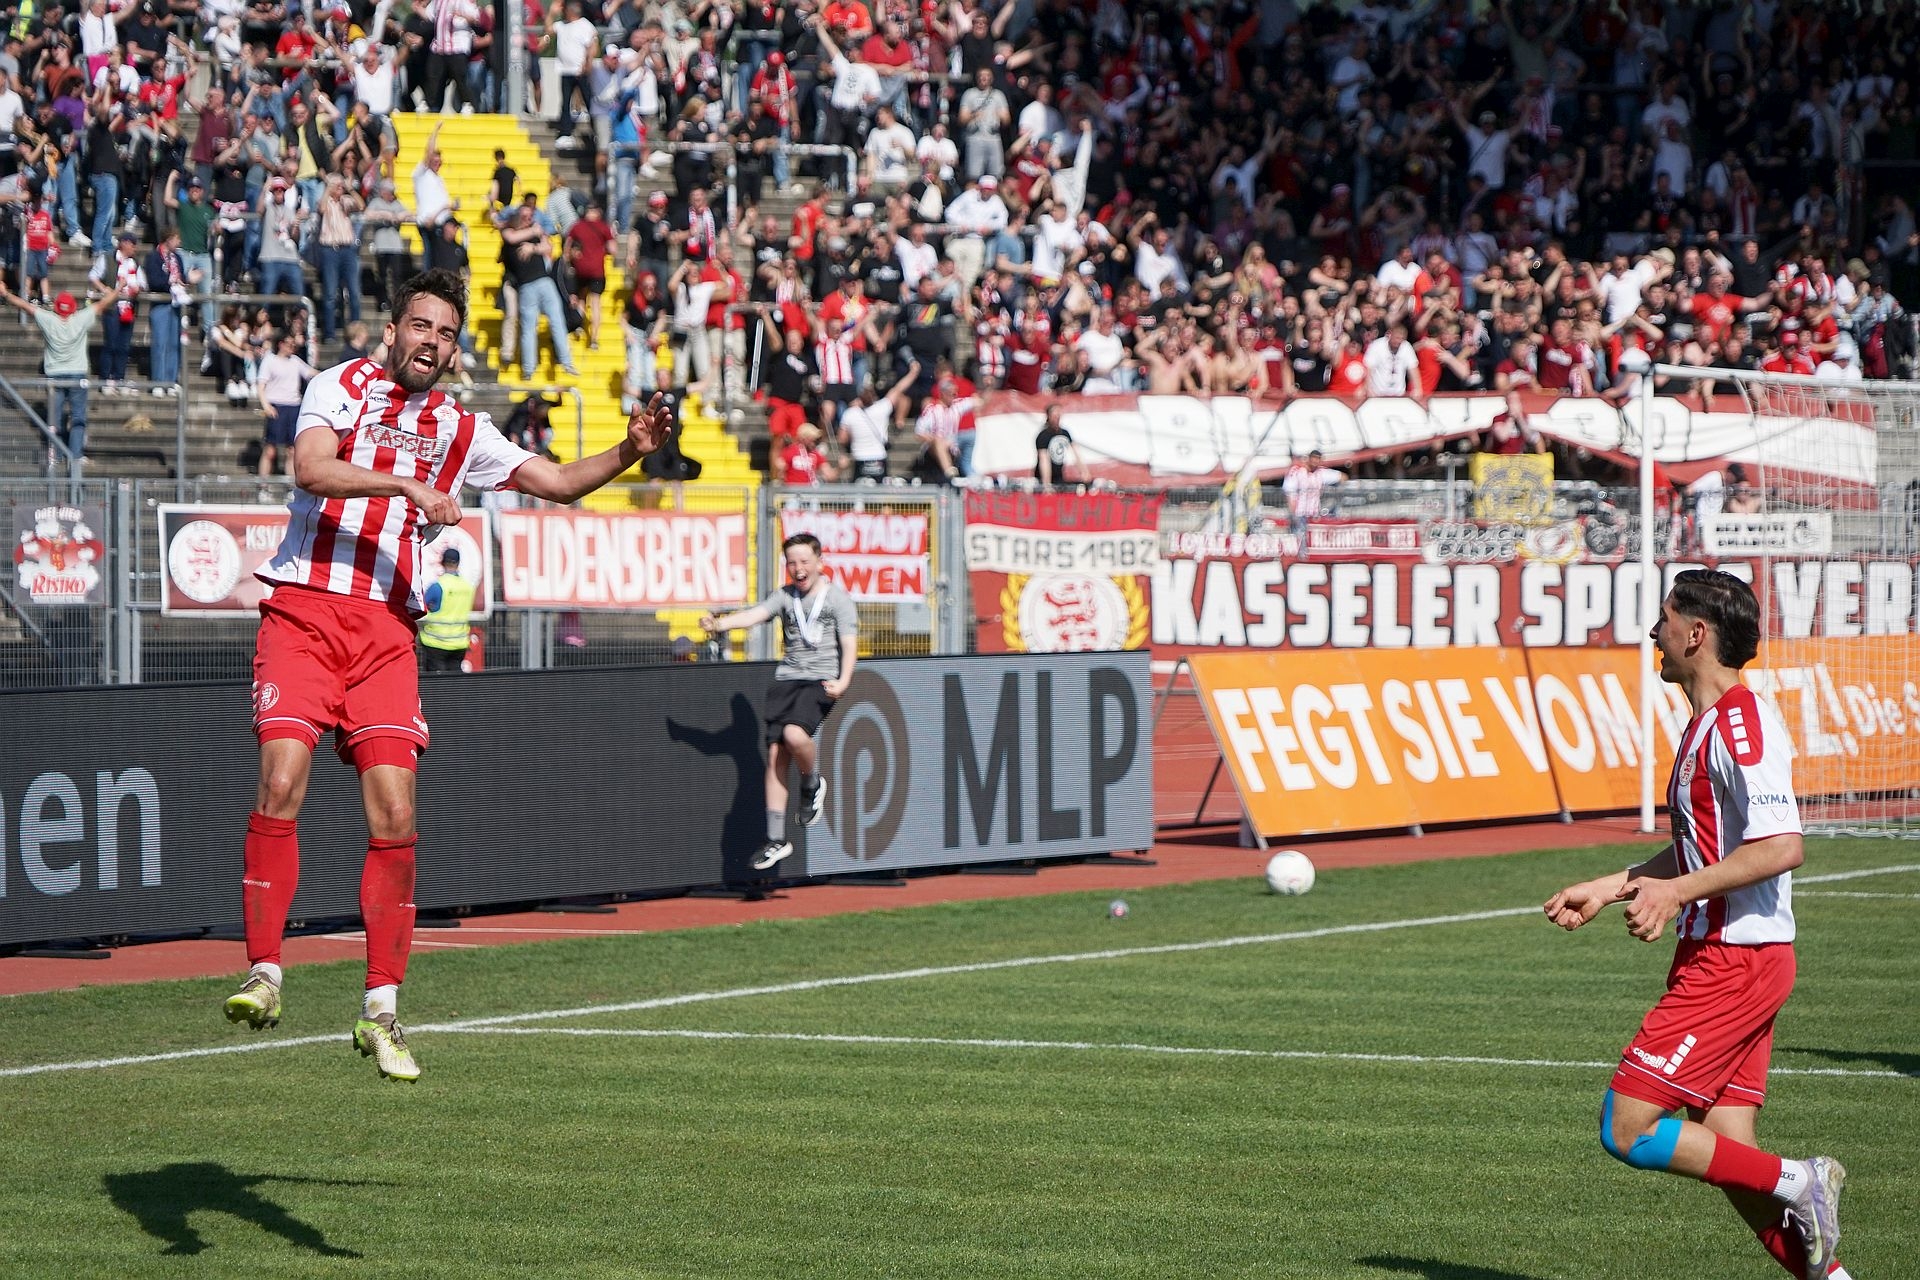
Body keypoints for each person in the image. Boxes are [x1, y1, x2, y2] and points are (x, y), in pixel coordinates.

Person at [220, 268, 671, 1082]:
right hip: (305, 614)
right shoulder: (340, 386)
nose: (433, 341)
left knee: (396, 813)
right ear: (392, 330)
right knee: (280, 781)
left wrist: (630, 452)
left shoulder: (463, 429)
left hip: (387, 633)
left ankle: (381, 1010)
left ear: (456, 351)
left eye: (447, 333)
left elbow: (558, 483)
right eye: (422, 326)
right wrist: (406, 484)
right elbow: (311, 469)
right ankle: (264, 972)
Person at [1545, 570, 1851, 1280]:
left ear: (1696, 634)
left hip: (1734, 962)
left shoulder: (1741, 725)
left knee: (1627, 1128)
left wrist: (1676, 893)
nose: (1654, 633)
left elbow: (1781, 846)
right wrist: (1613, 886)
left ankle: (1803, 1178)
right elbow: (1704, 846)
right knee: (1730, 1153)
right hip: (1727, 956)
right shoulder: (1708, 724)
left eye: (1664, 619)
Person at [699, 532, 859, 873]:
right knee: (775, 756)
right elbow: (756, 615)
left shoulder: (837, 599)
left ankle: (812, 782)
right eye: (791, 563)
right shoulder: (785, 596)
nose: (798, 569)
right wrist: (720, 624)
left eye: (804, 562)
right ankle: (776, 838)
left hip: (820, 681)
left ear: (819, 562)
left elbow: (849, 643)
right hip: (786, 680)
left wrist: (844, 680)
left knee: (794, 735)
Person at [0, 283, 116, 462]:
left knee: (55, 418)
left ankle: (56, 452)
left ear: (56, 308)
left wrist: (6, 294)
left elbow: (25, 306)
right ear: (73, 308)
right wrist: (118, 289)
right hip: (77, 374)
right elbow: (104, 303)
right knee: (78, 416)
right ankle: (76, 455)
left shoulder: (48, 319)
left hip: (54, 375)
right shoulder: (81, 318)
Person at [255, 330, 317, 478]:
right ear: (281, 344)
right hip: (276, 407)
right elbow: (261, 385)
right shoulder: (270, 360)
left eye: (293, 344)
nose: (292, 347)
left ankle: (290, 485)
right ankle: (263, 484)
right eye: (289, 344)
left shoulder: (295, 361)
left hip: (294, 407)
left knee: (292, 450)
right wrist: (266, 406)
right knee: (270, 450)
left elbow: (311, 373)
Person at [418, 547, 474, 673]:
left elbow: (423, 604)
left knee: (436, 681)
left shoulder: (438, 586)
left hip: (435, 642)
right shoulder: (467, 587)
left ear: (442, 563)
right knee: (453, 680)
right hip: (459, 642)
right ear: (458, 563)